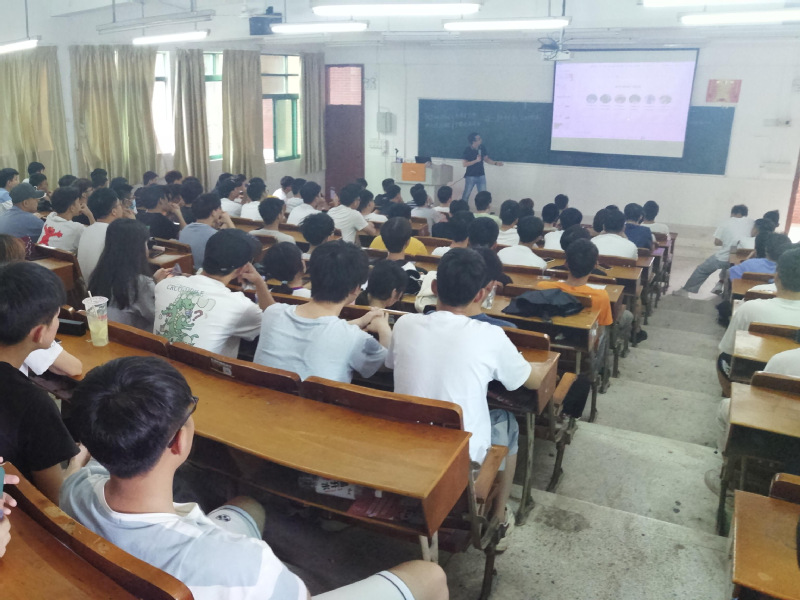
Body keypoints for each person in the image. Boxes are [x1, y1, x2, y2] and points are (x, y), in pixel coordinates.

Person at [61, 356, 447, 600]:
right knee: (428, 575)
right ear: (178, 441)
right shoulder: (242, 564)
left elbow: (86, 467)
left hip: (141, 560)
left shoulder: (74, 489)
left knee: (248, 506)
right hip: (214, 571)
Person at [388, 248, 548, 548]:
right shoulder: (491, 336)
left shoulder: (405, 324)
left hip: (405, 446)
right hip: (462, 463)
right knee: (508, 422)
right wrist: (538, 366)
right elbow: (532, 381)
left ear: (434, 287)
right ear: (480, 294)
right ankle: (498, 519)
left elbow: (392, 363)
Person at [0, 261, 89, 503]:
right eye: (57, 317)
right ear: (39, 333)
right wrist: (78, 459)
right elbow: (55, 500)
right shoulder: (32, 405)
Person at [254, 240, 391, 383]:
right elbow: (387, 364)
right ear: (356, 289)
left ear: (311, 275)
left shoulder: (272, 313)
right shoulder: (355, 338)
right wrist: (384, 329)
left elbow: (317, 328)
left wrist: (359, 321)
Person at [154, 229, 272, 358]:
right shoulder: (241, 306)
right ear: (243, 268)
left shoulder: (163, 285)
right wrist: (260, 283)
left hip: (158, 364)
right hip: (201, 370)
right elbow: (273, 321)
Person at [716, 248, 800, 396]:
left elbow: (726, 352)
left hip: (751, 381)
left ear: (776, 277)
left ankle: (730, 397)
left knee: (722, 356)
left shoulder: (750, 308)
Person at [89, 219, 171, 331]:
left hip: (108, 334)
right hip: (135, 339)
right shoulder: (141, 284)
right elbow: (161, 317)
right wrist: (159, 288)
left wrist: (154, 282)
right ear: (137, 249)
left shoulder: (101, 274)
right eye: (146, 243)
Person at [673, 204, 754, 296]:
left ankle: (685, 291)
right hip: (745, 258)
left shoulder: (726, 223)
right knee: (730, 264)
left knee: (702, 269)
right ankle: (721, 284)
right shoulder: (752, 223)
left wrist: (727, 242)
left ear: (735, 213)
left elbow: (717, 242)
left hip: (724, 257)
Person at [538, 239, 614, 328]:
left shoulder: (542, 287)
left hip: (550, 332)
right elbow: (602, 326)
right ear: (595, 265)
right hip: (582, 335)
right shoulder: (601, 296)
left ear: (566, 264)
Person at [77, 188, 123, 281]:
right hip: (105, 287)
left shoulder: (87, 230)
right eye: (120, 205)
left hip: (86, 286)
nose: (122, 208)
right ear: (114, 211)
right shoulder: (115, 233)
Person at [179, 193, 234, 271]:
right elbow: (241, 247)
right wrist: (229, 221)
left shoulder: (185, 229)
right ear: (214, 212)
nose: (221, 211)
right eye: (219, 208)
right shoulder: (216, 236)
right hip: (209, 274)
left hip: (190, 272)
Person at [37, 187, 89, 252]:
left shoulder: (50, 217)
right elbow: (95, 238)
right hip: (61, 258)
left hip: (41, 255)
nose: (80, 204)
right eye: (78, 202)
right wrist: (90, 215)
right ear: (72, 208)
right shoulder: (77, 228)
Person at [461, 132, 504, 202]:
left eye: (480, 138)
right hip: (470, 176)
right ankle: (462, 207)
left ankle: (483, 208)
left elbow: (486, 159)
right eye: (479, 139)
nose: (481, 140)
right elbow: (464, 164)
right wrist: (476, 161)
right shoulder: (467, 150)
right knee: (466, 195)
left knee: (483, 196)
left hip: (481, 175)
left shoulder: (482, 147)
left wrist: (495, 163)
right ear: (473, 141)